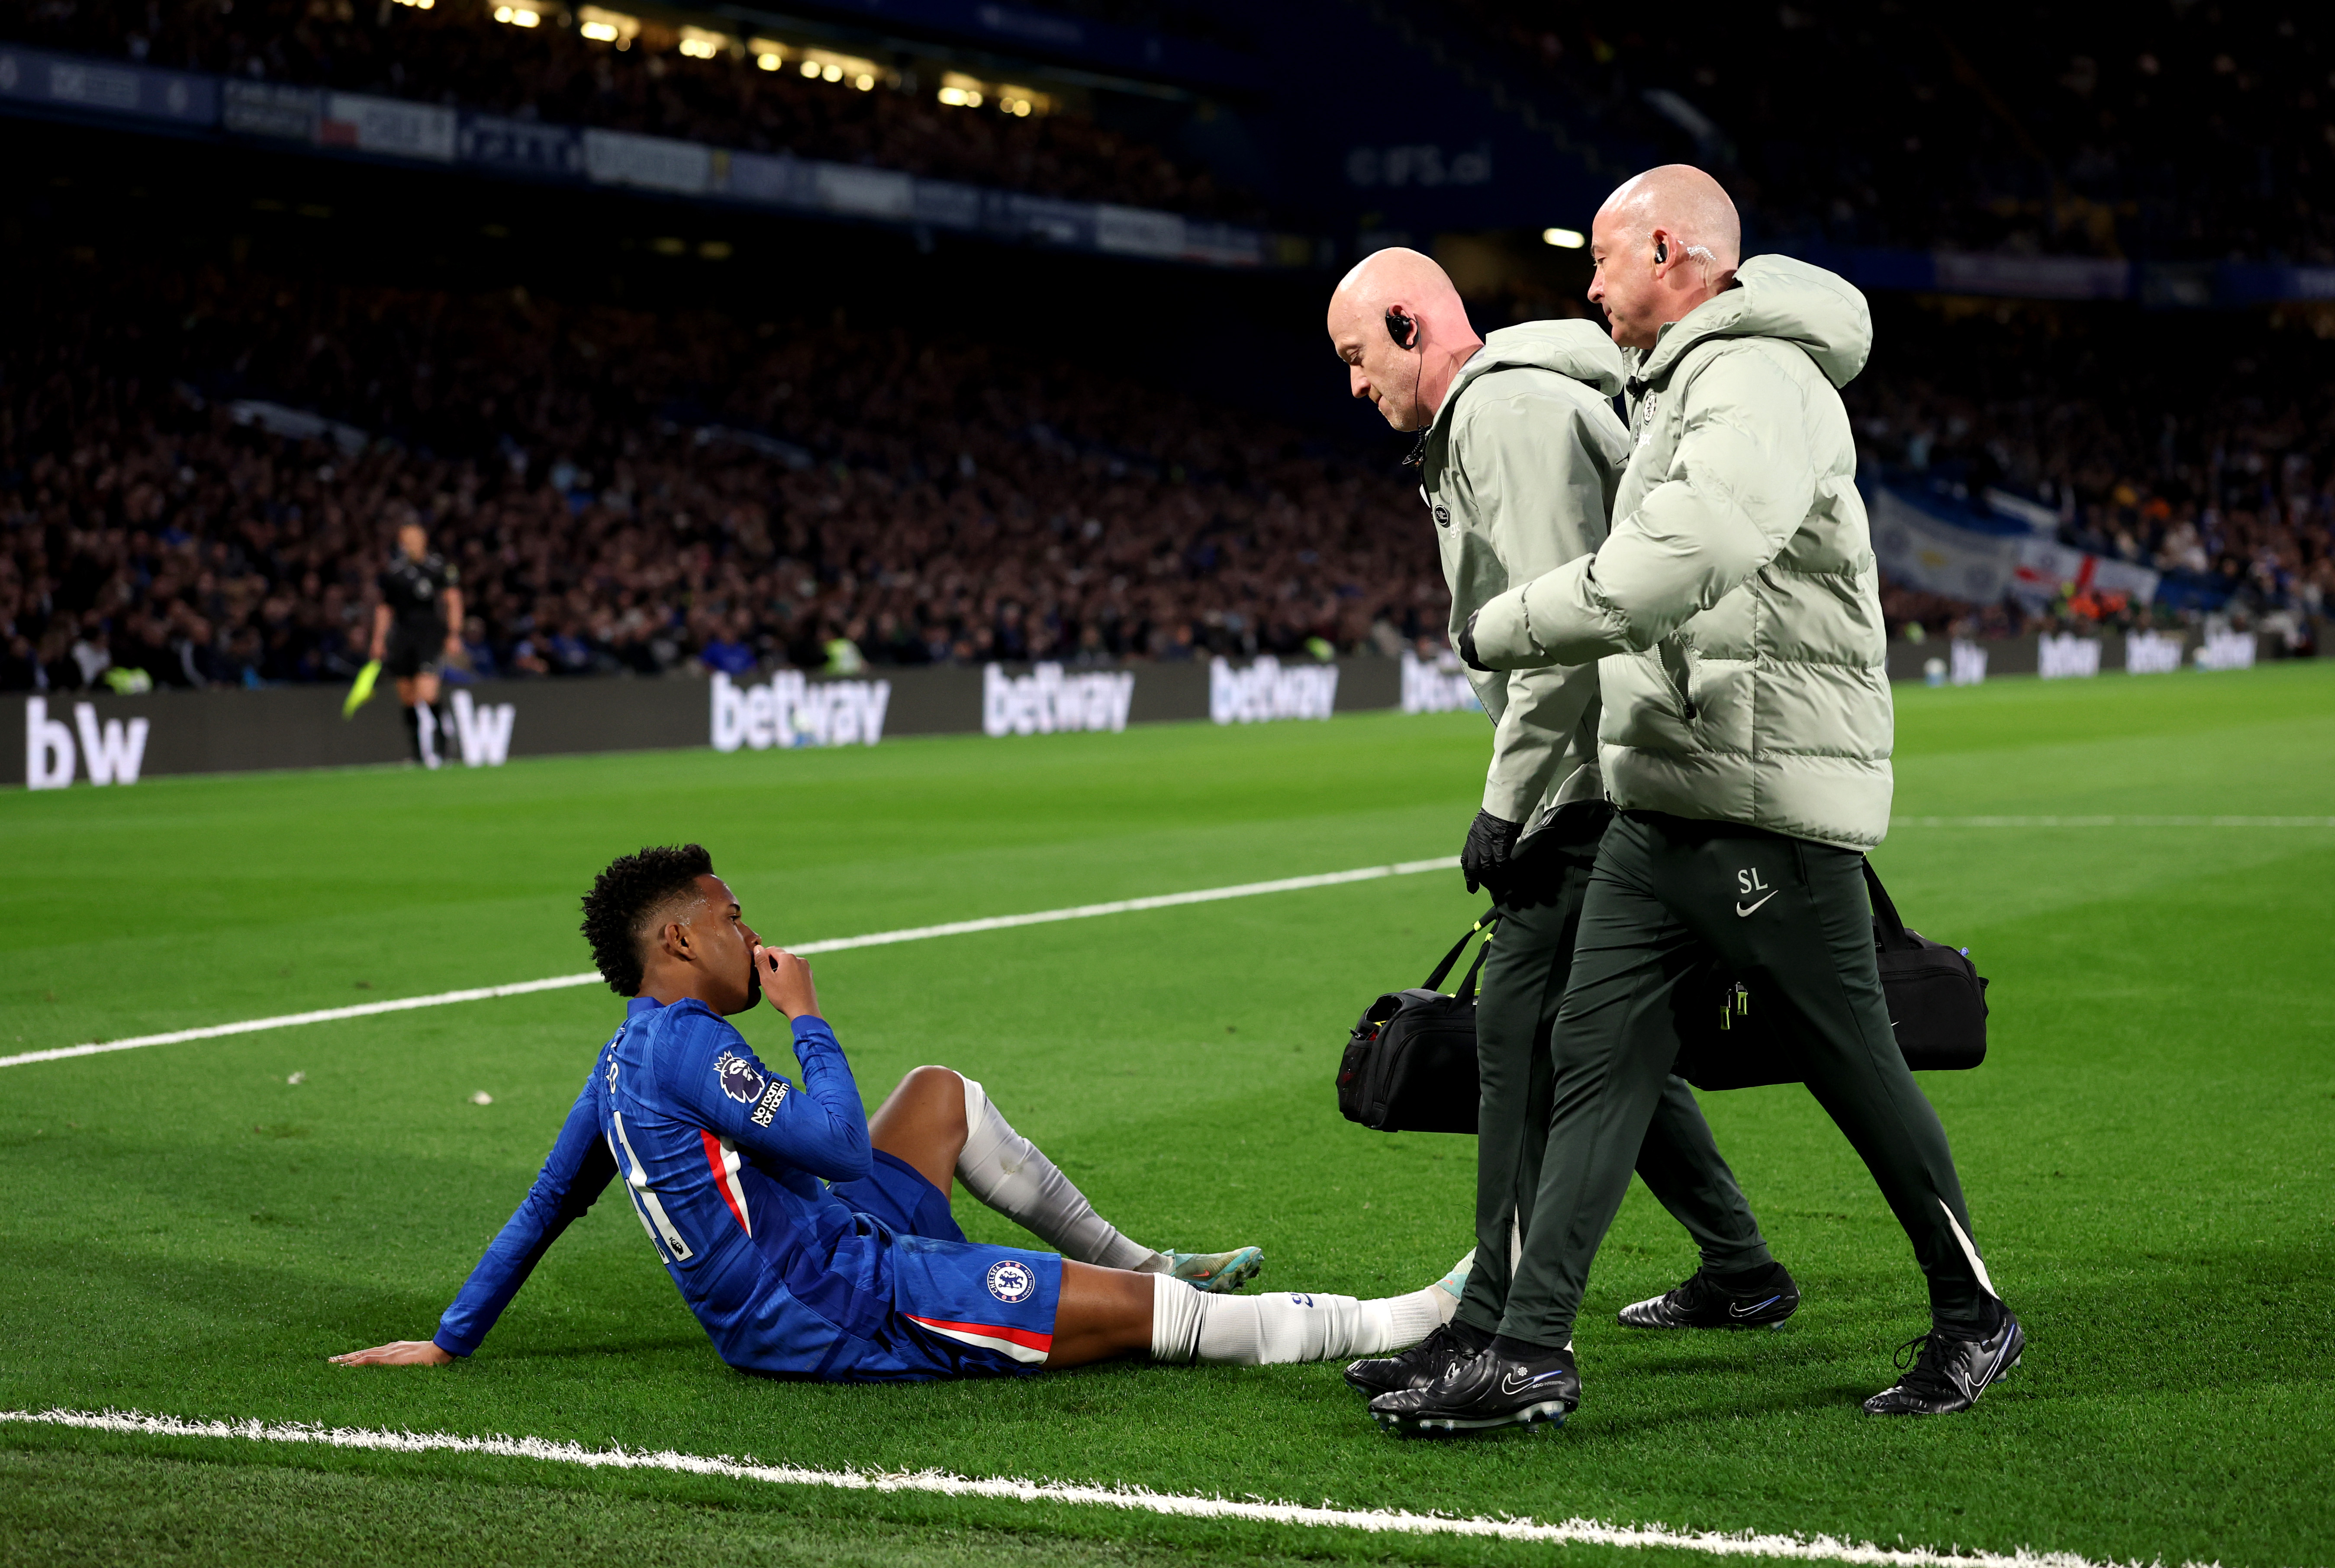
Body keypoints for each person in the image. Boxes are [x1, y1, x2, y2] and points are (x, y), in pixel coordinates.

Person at [1372, 167, 2020, 1435]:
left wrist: (1508, 623)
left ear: (1671, 250)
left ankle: (1971, 1310)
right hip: (1662, 798)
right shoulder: (1679, 382)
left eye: (1605, 257)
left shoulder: (1760, 376)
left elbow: (1689, 555)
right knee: (1591, 1059)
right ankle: (1529, 1349)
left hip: (1766, 799)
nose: (1589, 282)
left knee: (1855, 1070)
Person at [333, 845, 1467, 1380]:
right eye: (731, 917)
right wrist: (806, 1017)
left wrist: (450, 1339)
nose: (749, 931)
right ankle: (1403, 1321)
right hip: (841, 1306)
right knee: (1155, 1325)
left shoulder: (622, 1058)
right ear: (677, 940)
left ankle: (1151, 1253)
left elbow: (543, 1209)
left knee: (938, 1098)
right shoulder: (685, 1045)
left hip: (834, 1241)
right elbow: (826, 1138)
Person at [1323, 251, 1796, 1413]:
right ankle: (1739, 1271)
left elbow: (1566, 622)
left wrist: (1508, 803)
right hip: (1606, 775)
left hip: (1592, 785)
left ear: (1409, 322)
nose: (1351, 385)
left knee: (1524, 1043)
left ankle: (1499, 1330)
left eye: (1356, 356)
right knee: (1604, 1047)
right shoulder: (1493, 419)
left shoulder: (1505, 417)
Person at [370, 515, 464, 769]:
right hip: (402, 637)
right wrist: (378, 639)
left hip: (430, 636)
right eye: (407, 540)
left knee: (427, 692)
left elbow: (453, 600)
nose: (411, 544)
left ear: (424, 540)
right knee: (408, 697)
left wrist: (454, 634)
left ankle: (445, 746)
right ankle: (418, 755)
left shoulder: (438, 568)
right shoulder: (394, 573)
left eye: (416, 538)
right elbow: (385, 609)